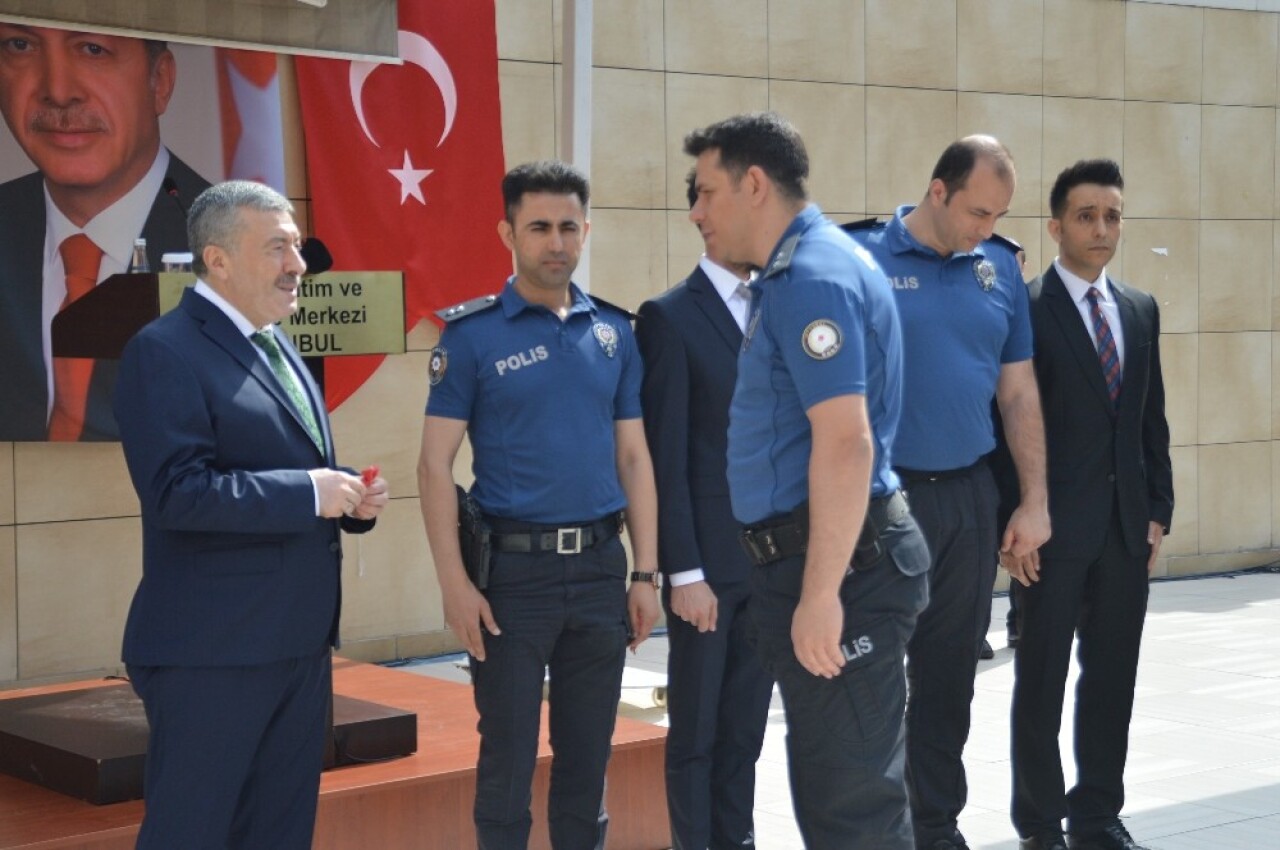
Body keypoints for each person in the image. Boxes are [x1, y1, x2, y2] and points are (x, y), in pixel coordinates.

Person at [114, 180, 388, 848]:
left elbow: (271, 463)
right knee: (192, 832)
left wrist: (346, 498)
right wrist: (305, 492)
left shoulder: (275, 341)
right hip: (214, 653)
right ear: (218, 259)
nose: (298, 264)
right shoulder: (164, 351)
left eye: (295, 246)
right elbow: (178, 493)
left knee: (278, 833)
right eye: (279, 248)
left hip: (295, 646)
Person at [685, 111, 930, 849]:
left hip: (842, 574)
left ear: (753, 184)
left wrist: (821, 594)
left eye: (704, 192)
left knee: (852, 805)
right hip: (820, 562)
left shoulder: (811, 277)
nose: (695, 213)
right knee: (837, 792)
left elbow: (847, 443)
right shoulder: (806, 268)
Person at [417, 159, 661, 849]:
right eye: (539, 228)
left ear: (586, 230)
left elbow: (635, 459)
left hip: (596, 575)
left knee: (588, 769)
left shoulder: (614, 333)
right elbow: (434, 466)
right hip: (509, 584)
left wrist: (645, 574)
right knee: (508, 767)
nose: (556, 242)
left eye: (568, 227)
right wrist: (455, 586)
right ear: (507, 233)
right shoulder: (471, 337)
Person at [845, 135, 1051, 850]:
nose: (986, 228)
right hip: (881, 501)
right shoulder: (861, 258)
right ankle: (873, 828)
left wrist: (1033, 500)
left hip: (969, 497)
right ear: (937, 191)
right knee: (870, 674)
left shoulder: (996, 268)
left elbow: (1019, 393)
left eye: (999, 214)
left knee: (948, 674)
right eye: (976, 211)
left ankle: (934, 825)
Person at [1004, 160, 1173, 850]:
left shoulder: (1138, 308)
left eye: (1112, 215)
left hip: (1126, 534)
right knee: (1039, 686)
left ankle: (1097, 815)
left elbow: (1149, 420)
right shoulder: (1025, 309)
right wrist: (1010, 526)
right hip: (1048, 535)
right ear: (1055, 226)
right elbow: (1003, 424)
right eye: (1086, 216)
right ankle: (1040, 825)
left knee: (1111, 683)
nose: (1101, 228)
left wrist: (1158, 510)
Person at [635, 169, 774, 850]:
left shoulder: (780, 305)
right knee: (695, 735)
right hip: (707, 574)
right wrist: (680, 571)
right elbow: (667, 456)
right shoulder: (669, 317)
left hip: (771, 564)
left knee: (745, 731)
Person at [0, 23, 208, 441]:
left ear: (160, 82)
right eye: (20, 45)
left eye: (93, 49)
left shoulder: (234, 243)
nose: (58, 91)